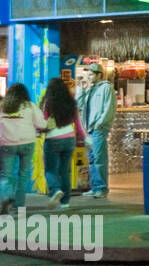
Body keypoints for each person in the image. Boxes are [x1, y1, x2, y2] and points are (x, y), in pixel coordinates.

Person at [0, 84, 48, 214]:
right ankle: (18, 206)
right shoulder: (29, 105)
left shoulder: (2, 105)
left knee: (6, 175)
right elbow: (42, 124)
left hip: (6, 143)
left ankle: (6, 198)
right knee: (23, 174)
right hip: (27, 142)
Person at [76, 63, 116, 199]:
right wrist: (81, 89)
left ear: (100, 75)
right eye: (88, 74)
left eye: (92, 74)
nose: (89, 76)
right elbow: (78, 104)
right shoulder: (89, 89)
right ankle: (95, 187)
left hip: (98, 128)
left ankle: (101, 188)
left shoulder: (106, 88)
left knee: (99, 158)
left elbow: (109, 108)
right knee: (92, 159)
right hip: (88, 129)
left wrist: (100, 123)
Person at [41, 79, 79, 209]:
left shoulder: (48, 103)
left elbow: (44, 122)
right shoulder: (71, 102)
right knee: (64, 171)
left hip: (53, 139)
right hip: (69, 139)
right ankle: (65, 202)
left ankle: (55, 189)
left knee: (50, 170)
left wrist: (38, 131)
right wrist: (85, 138)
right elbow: (78, 123)